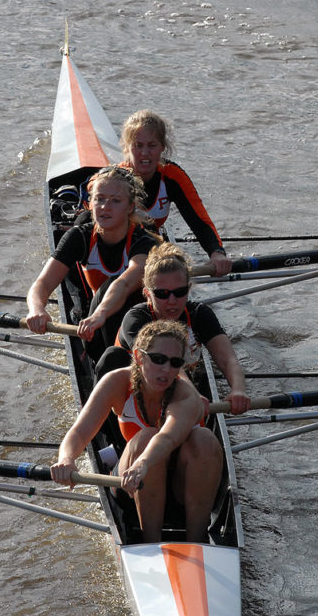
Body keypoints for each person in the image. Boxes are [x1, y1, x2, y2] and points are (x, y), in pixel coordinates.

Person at [52, 320, 223, 543]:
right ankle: (150, 544)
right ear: (139, 357)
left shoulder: (186, 396)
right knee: (145, 438)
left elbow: (168, 437)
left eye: (175, 363)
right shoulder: (116, 382)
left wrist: (143, 463)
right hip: (131, 486)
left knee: (205, 439)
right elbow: (79, 432)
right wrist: (66, 459)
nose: (166, 369)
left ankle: (198, 541)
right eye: (158, 359)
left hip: (180, 487)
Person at [96, 242, 250, 415]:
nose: (172, 301)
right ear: (147, 294)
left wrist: (238, 390)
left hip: (176, 390)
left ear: (189, 289)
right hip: (133, 401)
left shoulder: (199, 314)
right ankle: (109, 435)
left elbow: (228, 359)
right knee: (112, 356)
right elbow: (167, 366)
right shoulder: (136, 318)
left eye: (180, 292)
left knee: (199, 376)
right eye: (162, 294)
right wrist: (190, 394)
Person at [25, 166, 159, 357]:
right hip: (100, 321)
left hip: (137, 321)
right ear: (90, 203)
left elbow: (124, 283)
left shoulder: (144, 242)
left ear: (130, 207)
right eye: (99, 199)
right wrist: (36, 309)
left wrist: (100, 315)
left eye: (115, 201)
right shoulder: (79, 236)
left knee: (113, 283)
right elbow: (42, 284)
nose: (105, 207)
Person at [120, 110, 233, 276]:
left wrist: (217, 253)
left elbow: (199, 220)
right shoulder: (118, 179)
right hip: (119, 250)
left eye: (152, 145)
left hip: (149, 251)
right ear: (128, 148)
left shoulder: (172, 176)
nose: (145, 153)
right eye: (138, 145)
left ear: (162, 148)